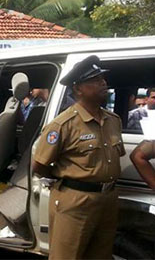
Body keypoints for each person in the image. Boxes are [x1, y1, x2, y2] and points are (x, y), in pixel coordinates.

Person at [32, 55, 124, 260]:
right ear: (78, 89)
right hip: (76, 200)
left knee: (101, 255)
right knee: (67, 255)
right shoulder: (63, 125)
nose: (103, 83)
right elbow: (39, 164)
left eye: (103, 79)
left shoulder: (113, 121)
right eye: (95, 80)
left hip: (107, 199)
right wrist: (65, 179)